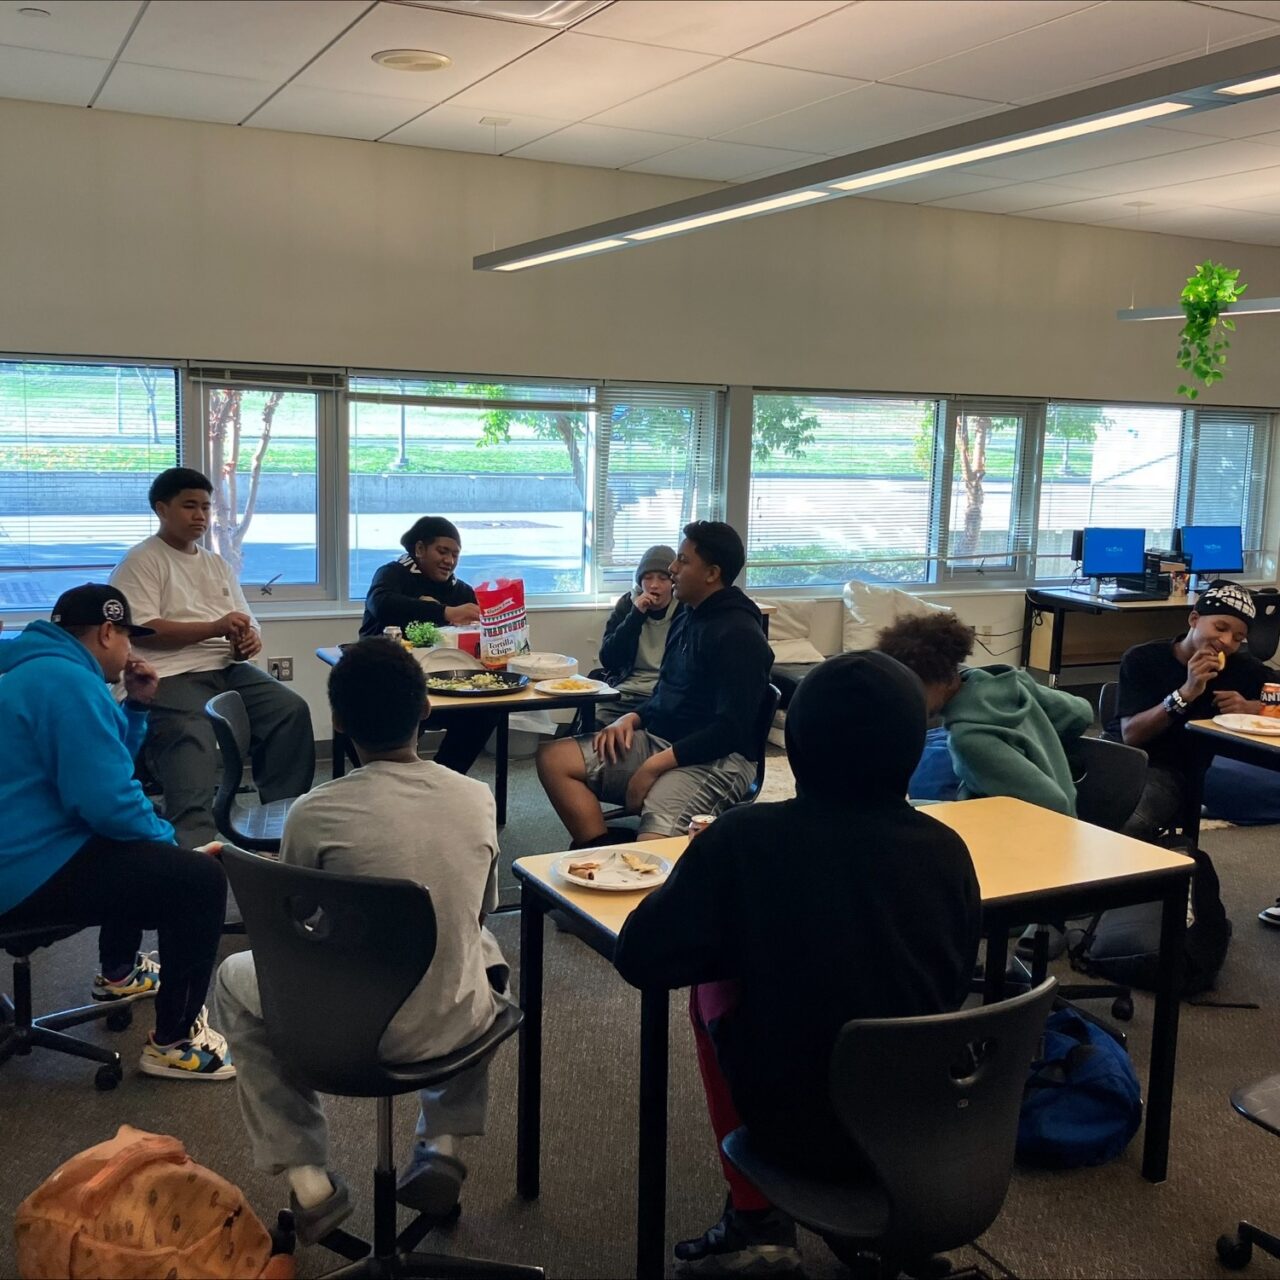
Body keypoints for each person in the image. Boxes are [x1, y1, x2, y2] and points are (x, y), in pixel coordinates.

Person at [614, 652, 981, 1275]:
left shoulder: (745, 840)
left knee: (712, 986)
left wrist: (702, 874)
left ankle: (757, 1221)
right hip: (930, 1126)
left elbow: (641, 957)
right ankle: (875, 1233)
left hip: (800, 1132)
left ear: (799, 744)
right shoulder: (947, 848)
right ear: (915, 747)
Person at [214, 638, 511, 1245]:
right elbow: (482, 910)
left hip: (340, 1033)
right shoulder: (477, 797)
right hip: (450, 1031)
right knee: (486, 952)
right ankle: (441, 1143)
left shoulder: (313, 813)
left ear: (339, 721)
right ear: (427, 709)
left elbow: (293, 937)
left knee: (233, 978)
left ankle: (308, 1178)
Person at [0, 584, 234, 1080]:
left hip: (22, 847)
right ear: (107, 632)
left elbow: (100, 771)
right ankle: (176, 1043)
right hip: (21, 874)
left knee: (133, 839)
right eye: (128, 637)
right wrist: (176, 847)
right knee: (198, 879)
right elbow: (106, 803)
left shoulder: (32, 665)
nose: (131, 650)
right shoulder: (66, 683)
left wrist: (137, 707)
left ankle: (119, 975)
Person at [109, 468, 315, 846]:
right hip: (169, 673)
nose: (200, 516)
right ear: (161, 509)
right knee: (192, 735)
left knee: (290, 710)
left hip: (226, 667)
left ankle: (283, 821)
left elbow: (243, 620)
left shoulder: (216, 563)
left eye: (205, 507)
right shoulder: (142, 560)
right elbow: (143, 631)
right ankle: (195, 842)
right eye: (189, 506)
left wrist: (245, 641)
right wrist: (216, 627)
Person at [536, 521, 772, 845]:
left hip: (716, 759)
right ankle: (603, 855)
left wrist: (652, 768)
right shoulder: (689, 616)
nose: (673, 569)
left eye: (683, 561)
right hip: (663, 740)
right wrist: (631, 718)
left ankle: (644, 880)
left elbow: (730, 730)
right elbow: (665, 694)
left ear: (712, 573)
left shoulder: (739, 634)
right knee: (554, 759)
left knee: (652, 846)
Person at [877, 611, 1093, 815]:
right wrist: (1040, 745)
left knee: (893, 815)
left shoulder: (969, 739)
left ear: (943, 681)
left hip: (1028, 838)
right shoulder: (1009, 681)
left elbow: (1053, 807)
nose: (906, 698)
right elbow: (1081, 713)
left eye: (915, 688)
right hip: (1052, 820)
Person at [1108, 580, 1268, 842]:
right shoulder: (1143, 659)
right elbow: (1131, 736)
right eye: (1220, 628)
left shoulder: (1243, 669)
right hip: (1120, 758)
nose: (1226, 642)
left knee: (1126, 828)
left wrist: (1256, 708)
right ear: (1194, 619)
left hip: (1172, 773)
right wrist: (1185, 693)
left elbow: (1273, 695)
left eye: (1238, 638)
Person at [358, 515, 495, 774]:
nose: (450, 561)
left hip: (445, 683)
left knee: (486, 712)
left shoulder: (461, 590)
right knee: (395, 713)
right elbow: (382, 605)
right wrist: (445, 613)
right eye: (442, 551)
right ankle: (387, 777)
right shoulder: (392, 574)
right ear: (420, 549)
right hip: (387, 680)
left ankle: (444, 775)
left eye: (455, 555)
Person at [595, 544, 682, 725]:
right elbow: (608, 659)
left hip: (666, 694)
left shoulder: (684, 608)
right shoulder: (628, 604)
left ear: (673, 582)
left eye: (663, 578)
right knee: (600, 719)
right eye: (647, 578)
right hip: (627, 690)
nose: (654, 585)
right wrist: (635, 616)